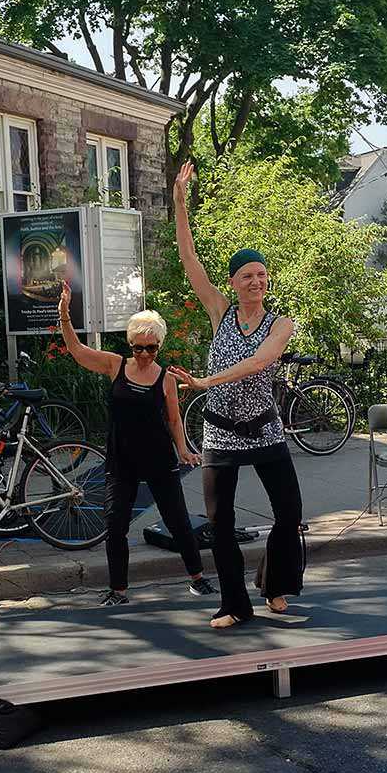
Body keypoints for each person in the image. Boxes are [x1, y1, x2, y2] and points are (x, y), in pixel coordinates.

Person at [168, 161, 303, 630]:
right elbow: (189, 259)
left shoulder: (280, 324)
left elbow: (261, 362)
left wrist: (207, 382)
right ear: (232, 282)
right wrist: (180, 202)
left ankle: (274, 584)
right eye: (247, 275)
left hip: (264, 429)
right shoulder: (219, 310)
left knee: (289, 513)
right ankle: (234, 604)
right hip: (221, 435)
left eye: (262, 275)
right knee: (219, 524)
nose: (256, 282)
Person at [56, 280, 214, 606]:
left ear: (159, 346)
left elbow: (174, 420)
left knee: (178, 521)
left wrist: (184, 450)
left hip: (158, 459)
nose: (143, 354)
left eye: (151, 348)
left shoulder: (166, 380)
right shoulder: (115, 365)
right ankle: (118, 590)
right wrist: (65, 316)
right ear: (130, 344)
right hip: (122, 460)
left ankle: (198, 578)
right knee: (115, 525)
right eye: (138, 347)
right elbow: (77, 351)